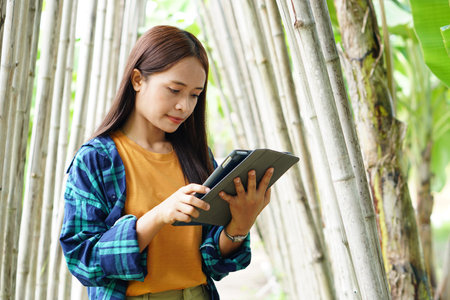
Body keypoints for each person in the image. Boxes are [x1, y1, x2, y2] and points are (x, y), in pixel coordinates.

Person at [60, 25, 273, 300]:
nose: (184, 106)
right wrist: (158, 216)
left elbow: (213, 263)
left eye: (195, 95)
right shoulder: (96, 160)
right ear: (138, 80)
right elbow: (82, 261)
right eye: (174, 90)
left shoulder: (196, 154)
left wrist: (240, 226)